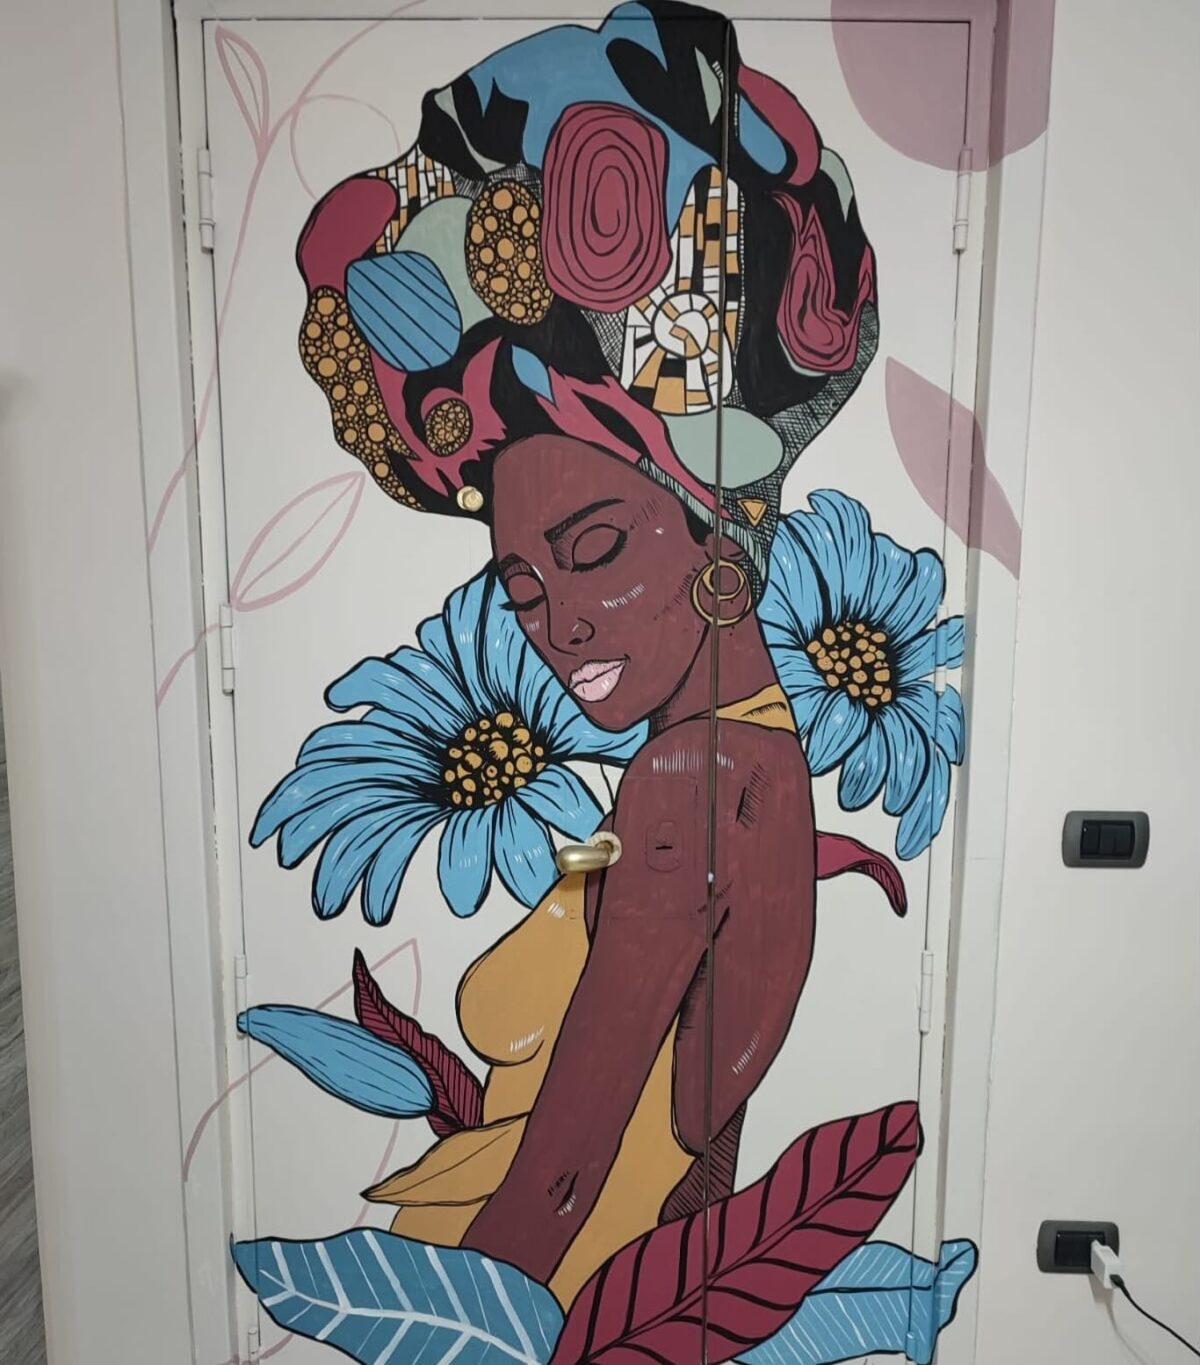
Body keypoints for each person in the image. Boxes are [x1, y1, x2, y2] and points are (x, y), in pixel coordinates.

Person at [286, 0, 891, 1309]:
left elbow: (564, 1172)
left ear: (720, 538)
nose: (556, 623)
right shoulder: (755, 760)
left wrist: (457, 1321)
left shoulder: (688, 785)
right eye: (522, 586)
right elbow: (702, 1126)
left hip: (551, 1285)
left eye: (596, 546)